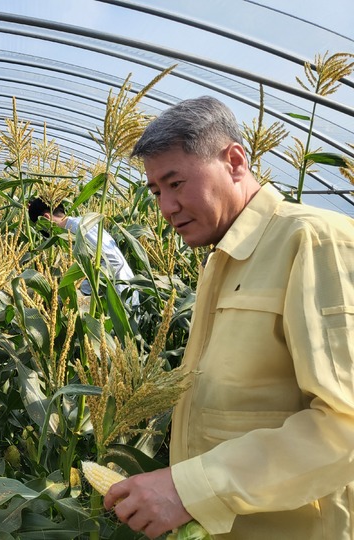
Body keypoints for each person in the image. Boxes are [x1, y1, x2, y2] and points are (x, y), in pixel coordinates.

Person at [102, 96, 354, 539]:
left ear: (234, 161)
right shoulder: (222, 260)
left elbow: (344, 425)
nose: (166, 207)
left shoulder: (313, 242)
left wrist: (188, 489)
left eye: (176, 183)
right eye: (157, 191)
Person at [28, 197, 137, 302]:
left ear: (45, 218)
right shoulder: (71, 231)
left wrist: (82, 289)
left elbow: (113, 262)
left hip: (121, 301)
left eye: (39, 226)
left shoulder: (80, 228)